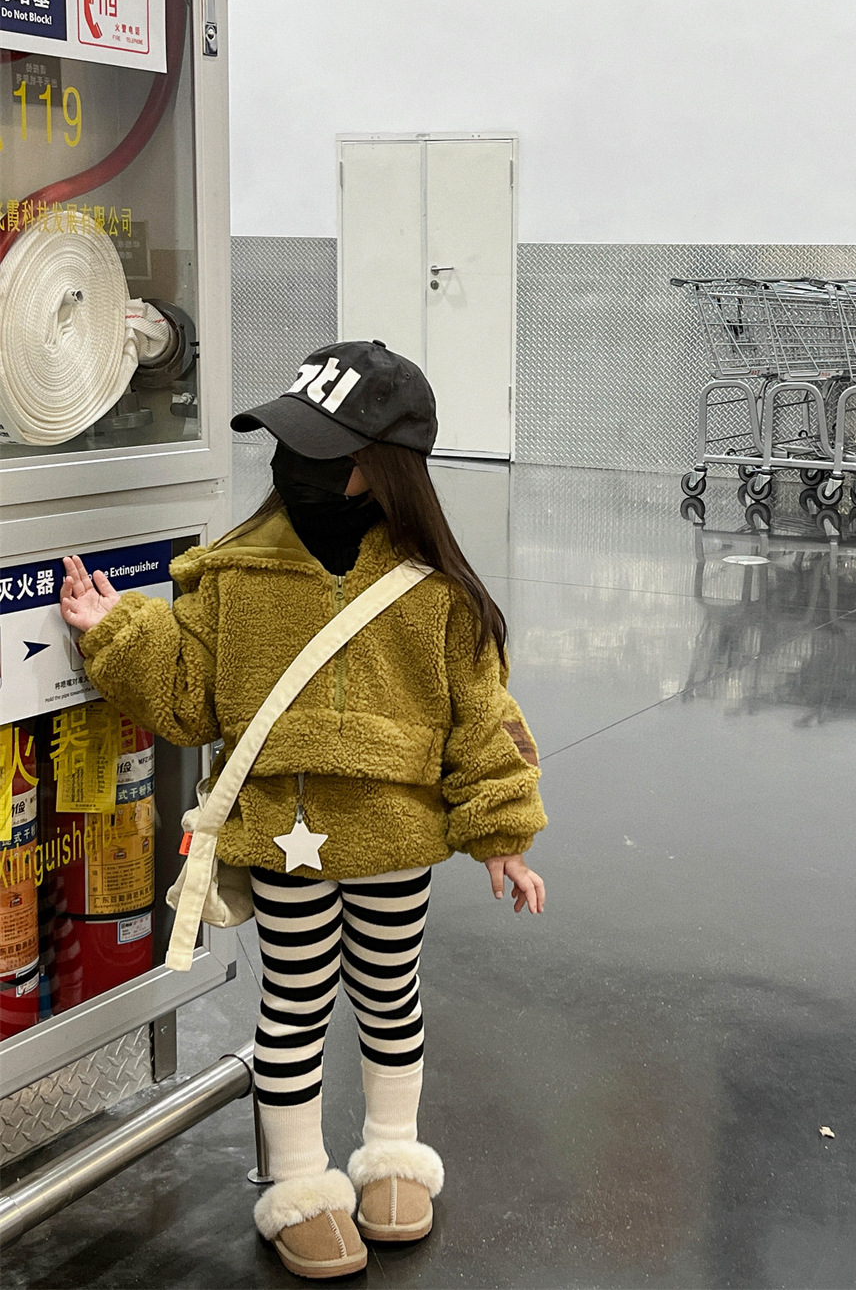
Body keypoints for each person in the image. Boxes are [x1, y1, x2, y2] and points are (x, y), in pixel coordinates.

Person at [60, 341, 547, 1280]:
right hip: (288, 846)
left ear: (383, 469)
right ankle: (297, 1183)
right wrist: (117, 630)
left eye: (322, 449)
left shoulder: (439, 596)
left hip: (396, 843)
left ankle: (394, 1152)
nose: (294, 464)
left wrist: (504, 837)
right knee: (292, 1005)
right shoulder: (235, 575)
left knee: (390, 994)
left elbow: (482, 720)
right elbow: (191, 694)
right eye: (288, 442)